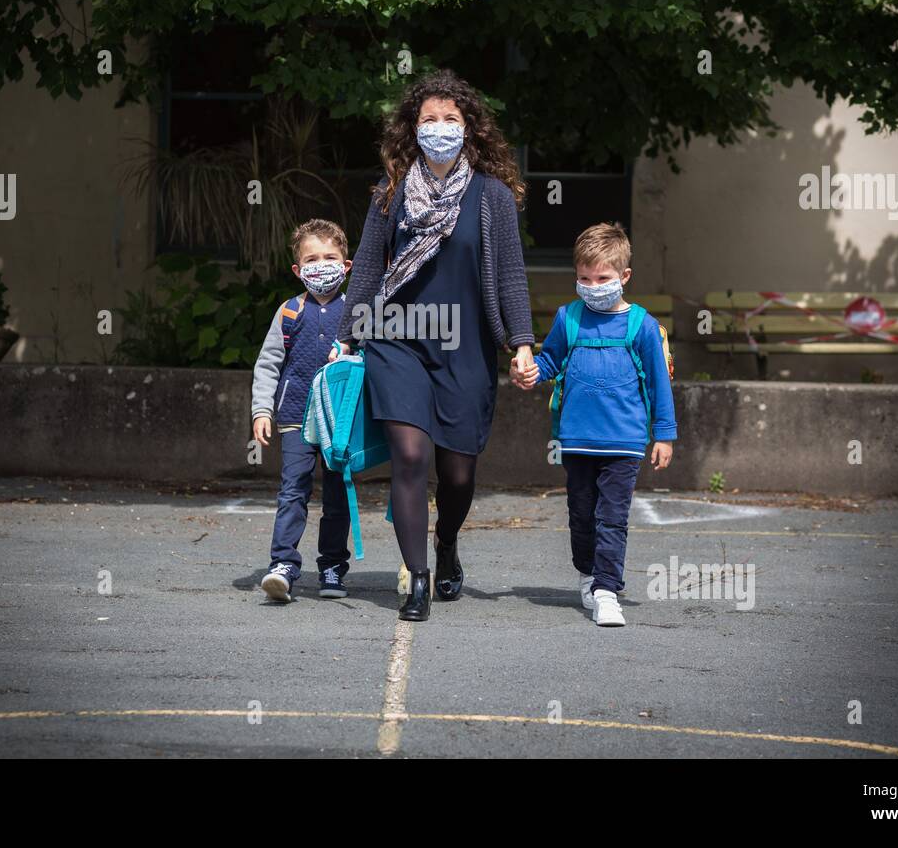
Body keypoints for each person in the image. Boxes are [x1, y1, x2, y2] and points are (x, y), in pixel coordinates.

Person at [331, 69, 536, 622]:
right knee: (411, 455)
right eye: (429, 120)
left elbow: (512, 276)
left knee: (459, 475)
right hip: (394, 340)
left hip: (465, 346)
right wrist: (347, 336)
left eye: (450, 119)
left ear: (468, 129)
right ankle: (417, 578)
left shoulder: (490, 197)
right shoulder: (391, 192)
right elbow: (369, 269)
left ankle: (446, 543)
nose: (439, 128)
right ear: (412, 129)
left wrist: (521, 343)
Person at [511, 223, 677, 626]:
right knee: (581, 514)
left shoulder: (642, 326)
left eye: (602, 278)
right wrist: (530, 372)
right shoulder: (569, 318)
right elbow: (550, 361)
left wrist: (665, 435)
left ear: (624, 277)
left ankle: (607, 589)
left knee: (612, 518)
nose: (592, 285)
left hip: (625, 443)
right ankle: (587, 572)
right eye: (584, 278)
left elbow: (658, 382)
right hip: (576, 441)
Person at [252, 219, 354, 602]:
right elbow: (268, 364)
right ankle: (283, 565)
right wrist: (262, 410)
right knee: (292, 490)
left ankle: (331, 566)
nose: (321, 264)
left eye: (330, 257)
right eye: (312, 259)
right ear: (298, 269)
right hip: (295, 418)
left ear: (346, 265)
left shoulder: (357, 314)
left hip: (340, 423)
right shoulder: (289, 312)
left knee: (336, 495)